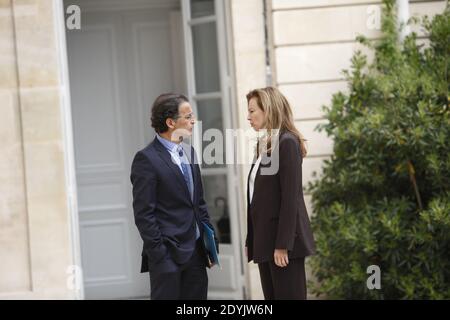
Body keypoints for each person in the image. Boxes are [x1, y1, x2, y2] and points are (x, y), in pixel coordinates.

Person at [130, 93, 218, 300]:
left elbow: (199, 204)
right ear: (171, 122)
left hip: (196, 254)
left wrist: (209, 244)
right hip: (167, 256)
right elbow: (144, 214)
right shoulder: (146, 159)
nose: (193, 121)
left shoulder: (190, 152)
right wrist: (160, 254)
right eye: (187, 117)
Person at [245, 87, 316, 300]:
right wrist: (252, 238)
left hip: (283, 246)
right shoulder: (265, 145)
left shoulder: (287, 143)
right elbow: (257, 198)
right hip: (265, 242)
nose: (248, 117)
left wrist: (282, 245)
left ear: (268, 110)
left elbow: (290, 199)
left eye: (252, 111)